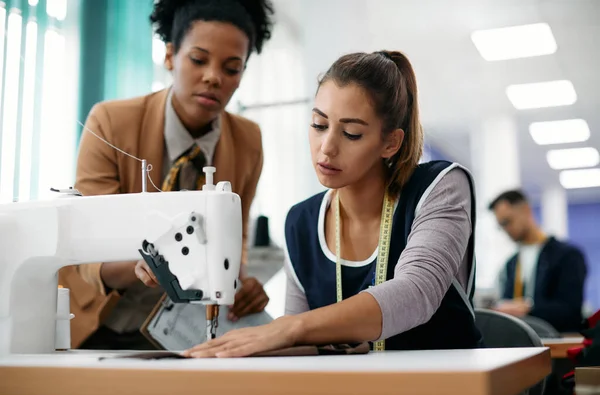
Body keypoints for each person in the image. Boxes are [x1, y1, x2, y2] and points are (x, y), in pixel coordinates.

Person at [182, 50, 483, 358]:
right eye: (318, 124)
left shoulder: (440, 187)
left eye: (352, 133)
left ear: (391, 143)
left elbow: (417, 293)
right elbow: (303, 347)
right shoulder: (301, 221)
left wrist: (289, 328)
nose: (326, 148)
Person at [58, 0, 275, 350]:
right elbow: (88, 253)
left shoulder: (248, 141)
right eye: (199, 60)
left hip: (181, 335)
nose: (214, 77)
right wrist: (145, 266)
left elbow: (236, 240)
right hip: (96, 325)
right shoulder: (110, 123)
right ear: (171, 55)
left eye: (232, 69)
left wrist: (241, 282)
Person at [489, 190, 587, 333]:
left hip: (559, 344)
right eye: (501, 225)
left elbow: (571, 310)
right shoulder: (511, 264)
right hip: (521, 343)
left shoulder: (567, 256)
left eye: (507, 221)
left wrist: (528, 308)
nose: (506, 229)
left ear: (526, 210)